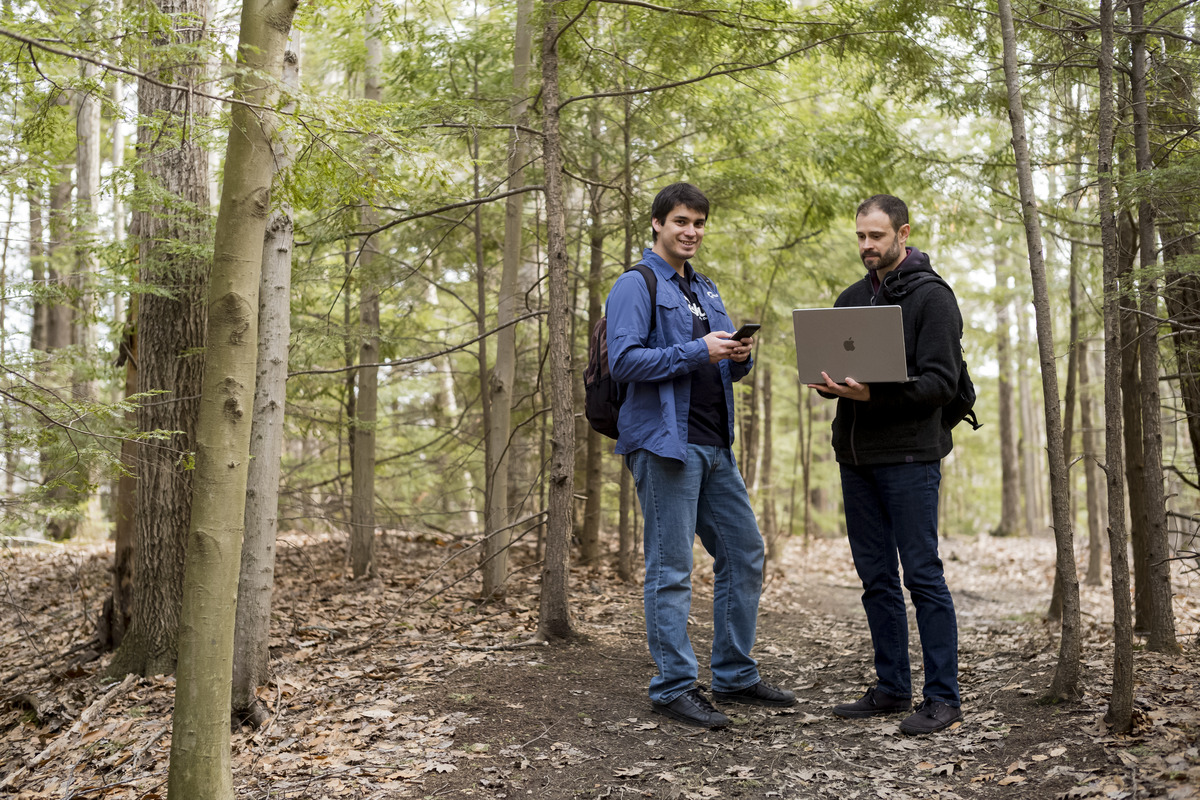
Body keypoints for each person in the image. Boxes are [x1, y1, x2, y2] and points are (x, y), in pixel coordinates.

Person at [606, 182, 796, 729]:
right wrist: (697, 349)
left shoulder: (705, 289)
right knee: (671, 568)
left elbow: (719, 366)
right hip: (666, 445)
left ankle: (735, 674)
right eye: (681, 222)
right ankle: (671, 686)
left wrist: (736, 356)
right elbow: (624, 362)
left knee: (744, 552)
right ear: (658, 225)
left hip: (715, 445)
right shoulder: (635, 284)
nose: (691, 231)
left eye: (699, 223)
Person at [808, 194, 964, 735]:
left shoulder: (932, 298)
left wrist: (872, 396)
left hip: (909, 458)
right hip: (855, 458)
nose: (867, 245)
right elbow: (846, 381)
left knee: (922, 576)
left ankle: (943, 698)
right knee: (875, 578)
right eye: (860, 236)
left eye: (876, 235)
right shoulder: (850, 298)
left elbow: (940, 385)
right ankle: (892, 688)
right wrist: (832, 387)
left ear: (902, 233)